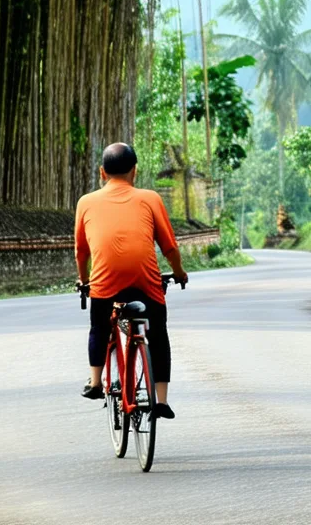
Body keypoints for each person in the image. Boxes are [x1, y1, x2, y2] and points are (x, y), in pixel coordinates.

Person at [75, 142, 187, 419]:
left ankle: (95, 382)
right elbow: (169, 246)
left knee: (99, 326)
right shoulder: (150, 198)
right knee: (158, 332)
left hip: (104, 278)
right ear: (134, 171)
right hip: (145, 279)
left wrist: (84, 280)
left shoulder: (86, 202)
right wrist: (179, 271)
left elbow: (81, 250)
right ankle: (160, 400)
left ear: (102, 173)